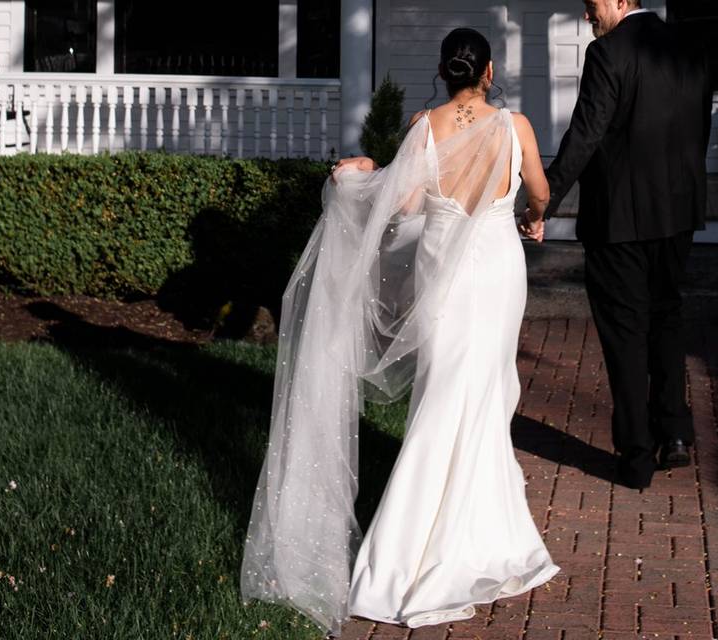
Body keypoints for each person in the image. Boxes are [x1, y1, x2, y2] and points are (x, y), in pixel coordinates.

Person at [240, 27, 558, 635]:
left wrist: (365, 175)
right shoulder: (515, 129)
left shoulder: (424, 128)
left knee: (443, 394)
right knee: (485, 392)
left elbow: (405, 206)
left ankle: (442, 539)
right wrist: (535, 218)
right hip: (497, 274)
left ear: (446, 73)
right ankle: (463, 543)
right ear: (488, 73)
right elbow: (539, 193)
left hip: (446, 274)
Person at [528, 0, 713, 490]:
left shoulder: (608, 53)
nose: (588, 16)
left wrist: (545, 198)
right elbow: (700, 129)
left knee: (626, 334)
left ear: (621, 0)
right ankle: (673, 433)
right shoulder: (689, 48)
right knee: (666, 316)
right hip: (677, 211)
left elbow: (585, 135)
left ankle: (636, 457)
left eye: (592, 6)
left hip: (620, 220)